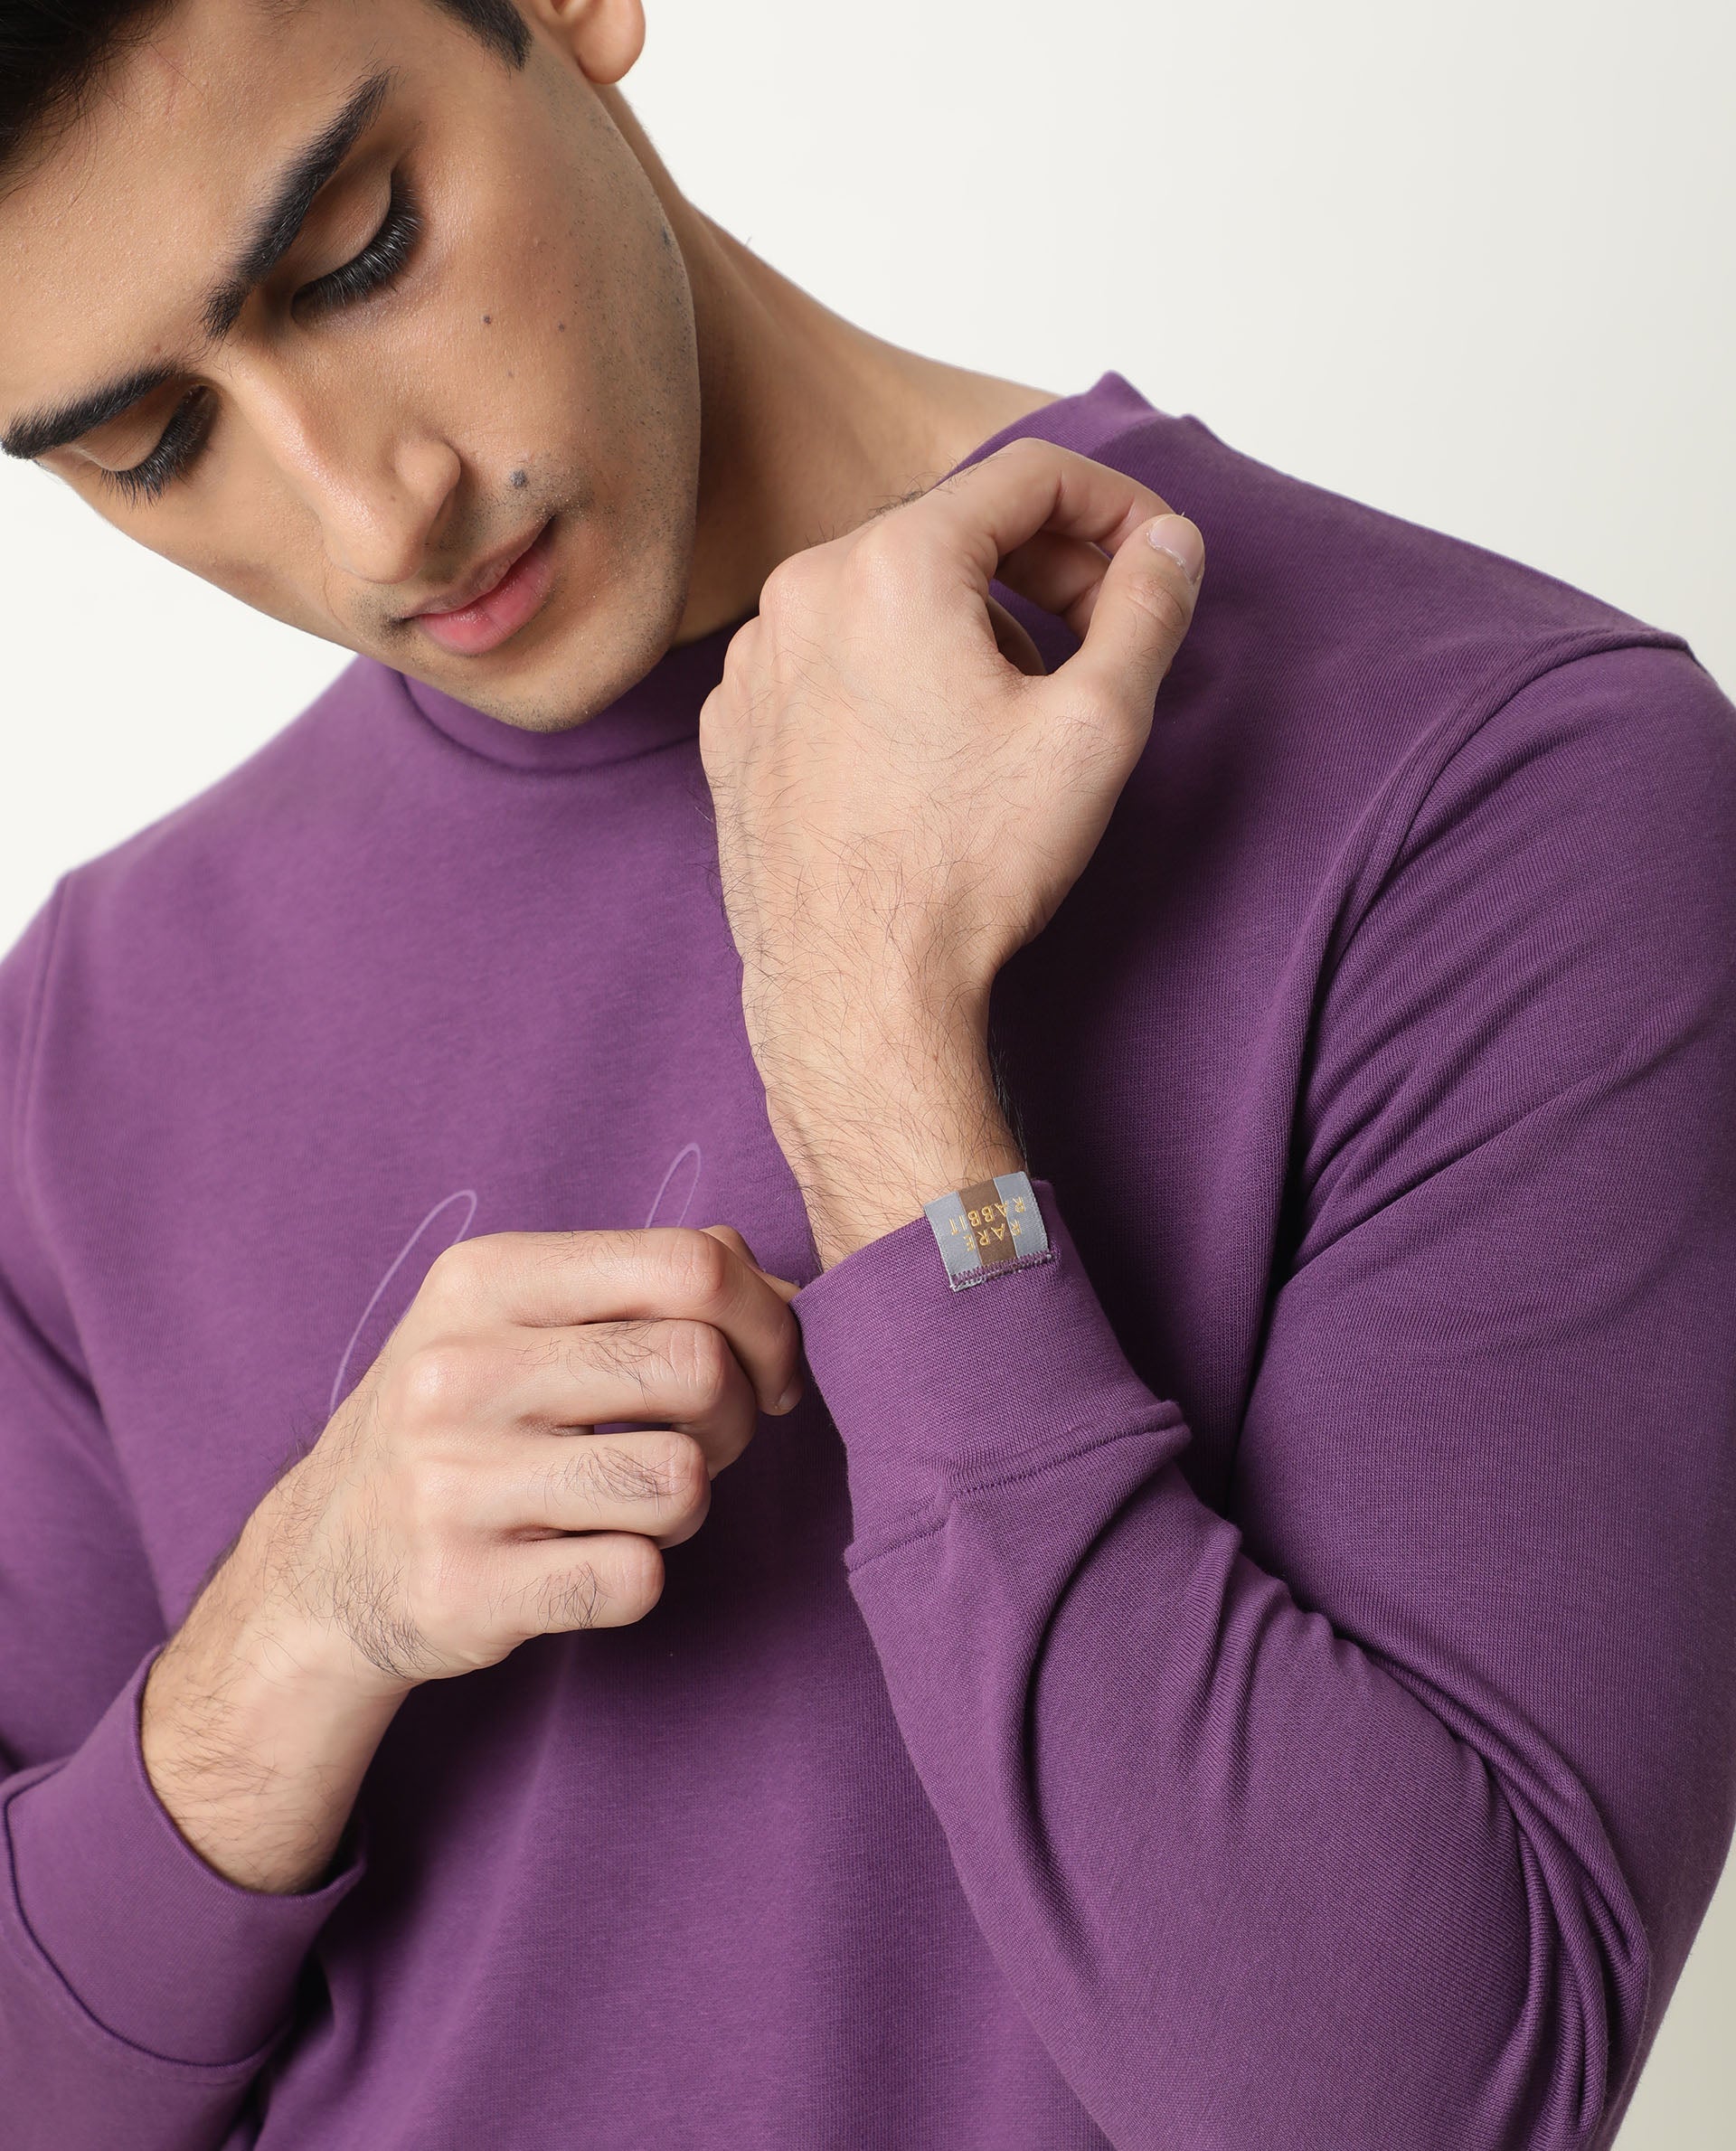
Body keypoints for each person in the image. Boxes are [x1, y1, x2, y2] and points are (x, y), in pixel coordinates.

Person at [0, 1, 1731, 2146]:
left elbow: (1413, 2103)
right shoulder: (92, 1018)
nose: (375, 513)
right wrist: (292, 1629)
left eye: (360, 247)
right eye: (150, 440)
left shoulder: (1497, 791)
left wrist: (880, 1062)